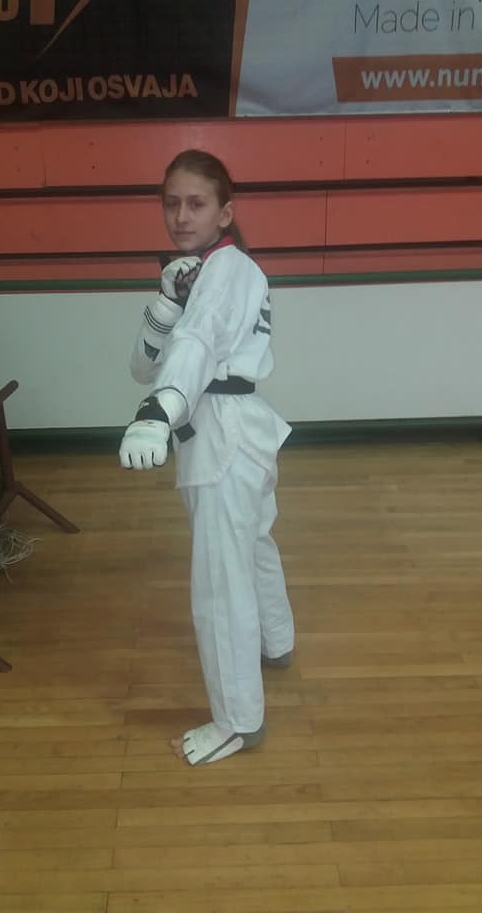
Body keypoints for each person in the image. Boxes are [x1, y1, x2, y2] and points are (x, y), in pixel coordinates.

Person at [119, 149, 294, 766]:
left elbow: (196, 345)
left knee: (221, 582)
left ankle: (237, 721)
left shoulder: (226, 268)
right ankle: (277, 640)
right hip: (239, 432)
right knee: (253, 546)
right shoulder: (204, 273)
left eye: (196, 203)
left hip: (222, 435)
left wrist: (157, 412)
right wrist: (168, 301)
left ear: (225, 212)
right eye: (171, 203)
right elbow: (142, 363)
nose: (181, 216)